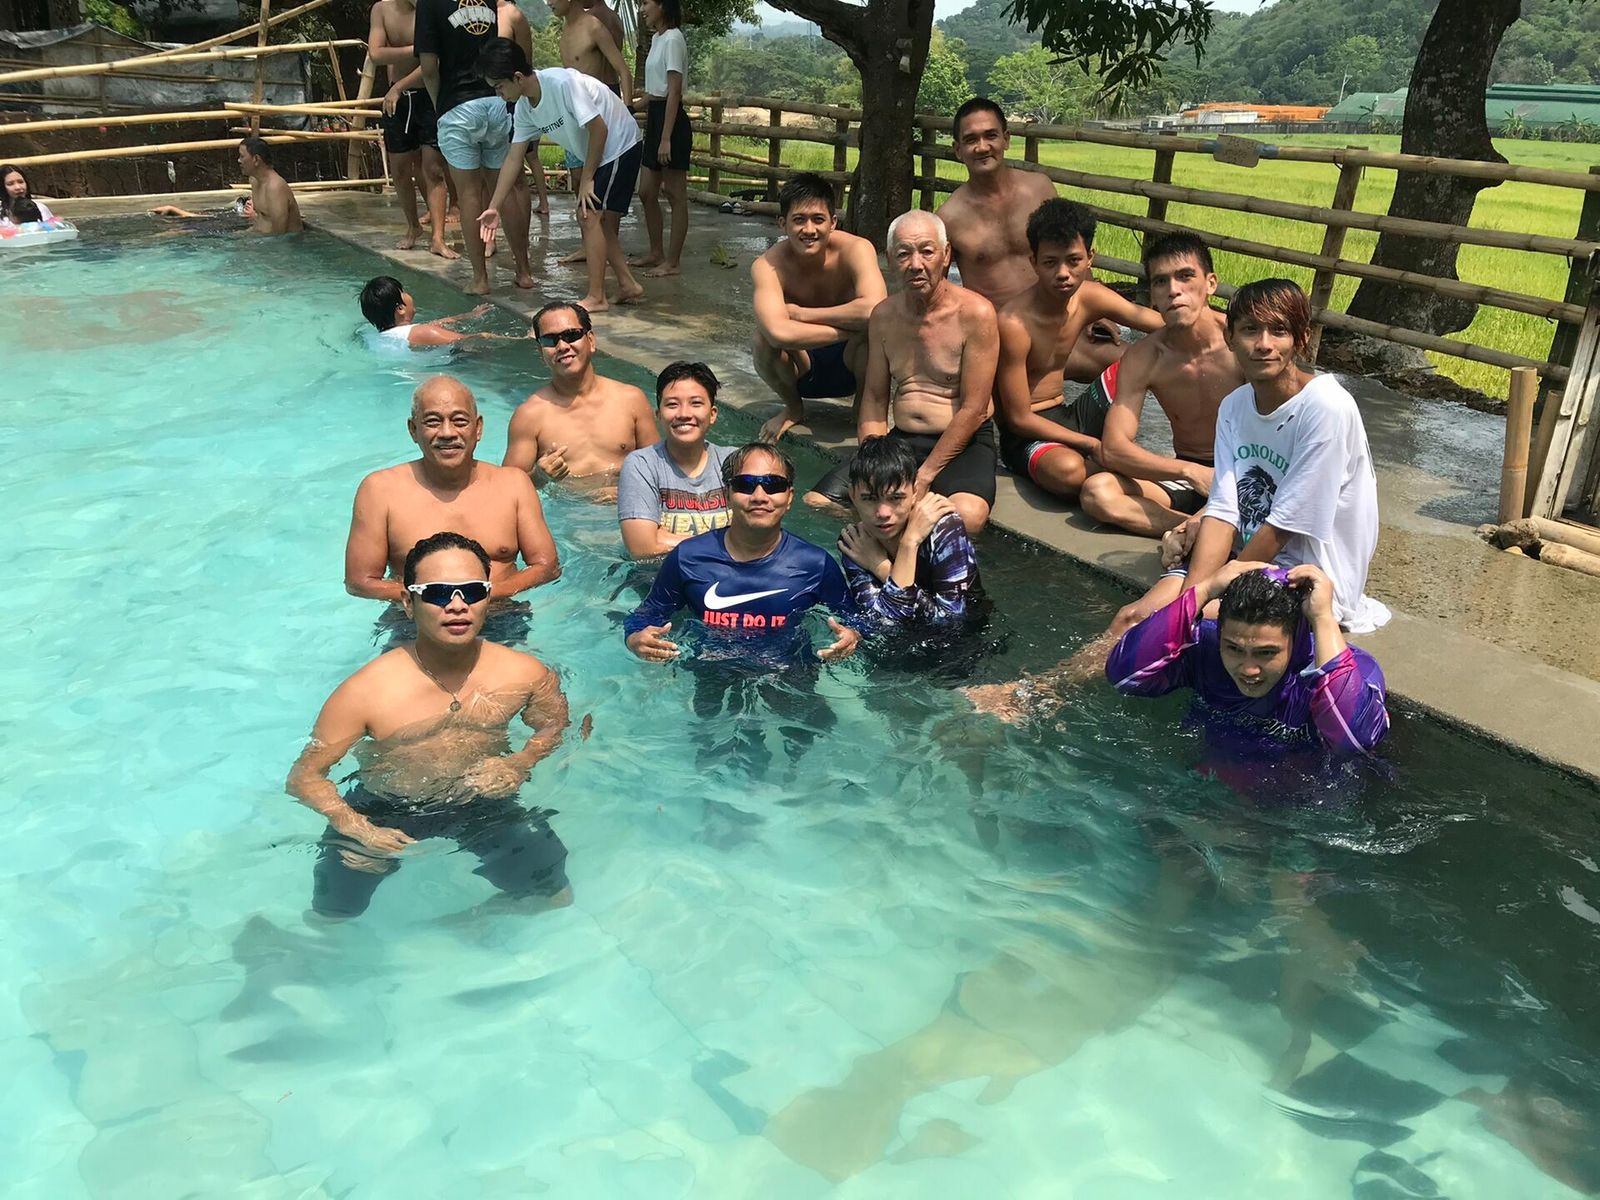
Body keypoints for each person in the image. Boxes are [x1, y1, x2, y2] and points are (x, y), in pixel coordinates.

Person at [286, 532, 572, 921]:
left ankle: (469, 922)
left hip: (481, 801)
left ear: (488, 597)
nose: (457, 605)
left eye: (472, 591)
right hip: (384, 808)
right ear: (408, 602)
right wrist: (355, 827)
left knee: (553, 896)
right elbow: (304, 777)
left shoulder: (526, 674)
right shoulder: (363, 693)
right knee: (333, 916)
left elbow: (554, 728)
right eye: (437, 593)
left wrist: (519, 763)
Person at [1124, 279, 1390, 636]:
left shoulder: (1325, 407)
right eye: (1250, 330)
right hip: (1246, 561)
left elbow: (1284, 526)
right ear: (1230, 338)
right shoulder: (1234, 407)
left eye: (1279, 330)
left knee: (1189, 626)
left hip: (1311, 582)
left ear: (1302, 339)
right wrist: (1193, 595)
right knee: (1135, 617)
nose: (1264, 344)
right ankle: (1060, 677)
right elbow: (1223, 510)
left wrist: (1202, 601)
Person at [808, 210, 1000, 536]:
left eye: (927, 251)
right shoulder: (884, 316)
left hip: (963, 443)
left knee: (966, 517)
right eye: (903, 254)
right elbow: (874, 397)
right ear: (890, 259)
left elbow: (974, 409)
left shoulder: (976, 314)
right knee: (817, 501)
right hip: (903, 441)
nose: (915, 264)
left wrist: (923, 477)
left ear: (946, 255)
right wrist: (874, 463)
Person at [1107, 561, 1390, 756]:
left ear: (1296, 639)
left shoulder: (1358, 670)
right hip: (1203, 783)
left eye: (1267, 653)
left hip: (1288, 808)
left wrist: (1323, 617)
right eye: (1234, 649)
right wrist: (1204, 590)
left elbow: (1353, 741)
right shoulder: (1205, 650)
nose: (1248, 669)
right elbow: (1124, 676)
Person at [624, 442, 861, 665]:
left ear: (789, 497)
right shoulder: (687, 557)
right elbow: (647, 614)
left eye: (773, 485)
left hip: (789, 673)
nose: (759, 496)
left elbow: (857, 620)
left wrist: (852, 636)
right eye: (745, 485)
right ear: (727, 495)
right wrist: (635, 639)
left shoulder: (815, 564)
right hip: (710, 670)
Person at [994, 198, 1163, 500]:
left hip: (1072, 415)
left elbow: (1159, 323)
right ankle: (1139, 473)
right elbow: (1018, 418)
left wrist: (1223, 326)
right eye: (1050, 262)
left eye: (1073, 260)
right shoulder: (1014, 323)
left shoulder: (1089, 296)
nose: (1063, 273)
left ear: (1090, 258)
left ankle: (1138, 453)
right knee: (1069, 472)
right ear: (1033, 262)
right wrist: (1090, 444)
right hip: (1028, 434)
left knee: (1149, 354)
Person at [1078, 233, 1244, 537]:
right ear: (1153, 295)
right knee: (1097, 492)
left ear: (1210, 283)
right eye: (1161, 281)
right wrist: (1189, 471)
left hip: (1247, 471)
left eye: (1185, 276)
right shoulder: (1144, 357)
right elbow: (1114, 448)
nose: (1173, 290)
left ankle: (1211, 532)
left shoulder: (1241, 343)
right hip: (1190, 473)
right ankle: (1196, 532)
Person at [345, 375, 560, 604]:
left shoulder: (514, 485)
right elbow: (360, 581)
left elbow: (547, 567)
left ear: (478, 428)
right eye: (433, 422)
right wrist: (431, 599)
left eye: (459, 421)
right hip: (413, 619)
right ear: (413, 429)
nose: (447, 433)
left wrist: (483, 595)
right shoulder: (380, 490)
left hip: (501, 612)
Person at [477, 40, 645, 313]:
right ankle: (627, 284)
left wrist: (587, 179)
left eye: (499, 87)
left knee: (588, 216)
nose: (499, 94)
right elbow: (514, 158)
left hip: (619, 144)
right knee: (597, 221)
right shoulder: (524, 108)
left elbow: (599, 129)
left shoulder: (562, 84)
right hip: (600, 151)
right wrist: (494, 206)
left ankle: (597, 297)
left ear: (517, 77)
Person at [751, 173, 887, 443]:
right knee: (761, 339)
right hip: (801, 366)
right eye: (799, 220)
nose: (809, 230)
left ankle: (864, 407)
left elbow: (876, 309)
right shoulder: (767, 265)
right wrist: (850, 329)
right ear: (783, 223)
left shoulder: (857, 250)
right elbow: (777, 333)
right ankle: (793, 407)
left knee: (877, 334)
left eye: (818, 219)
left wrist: (803, 314)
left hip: (852, 361)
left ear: (833, 222)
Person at [416, 0, 533, 294]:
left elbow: (428, 68)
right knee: (504, 189)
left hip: (457, 106)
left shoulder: (429, 3)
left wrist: (440, 105)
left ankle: (480, 279)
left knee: (469, 194)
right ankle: (524, 271)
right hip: (496, 99)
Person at [502, 300, 658, 495]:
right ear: (541, 352)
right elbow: (506, 487)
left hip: (627, 507)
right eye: (550, 340)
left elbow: (658, 469)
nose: (562, 346)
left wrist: (625, 491)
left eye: (571, 335)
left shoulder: (631, 400)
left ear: (591, 341)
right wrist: (540, 476)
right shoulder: (529, 416)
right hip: (567, 511)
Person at [838, 434, 984, 634]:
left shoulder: (943, 528)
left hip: (964, 640)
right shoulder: (856, 541)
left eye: (896, 498)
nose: (883, 513)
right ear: (853, 495)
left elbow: (951, 622)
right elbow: (880, 622)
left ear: (915, 492)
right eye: (869, 499)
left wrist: (890, 558)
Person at [617, 360, 736, 558]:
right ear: (659, 415)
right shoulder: (641, 464)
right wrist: (726, 542)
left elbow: (761, 535)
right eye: (672, 404)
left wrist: (663, 537)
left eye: (696, 403)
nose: (684, 414)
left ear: (712, 414)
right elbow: (642, 548)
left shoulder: (736, 462)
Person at [369, 0, 455, 258]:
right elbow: (376, 54)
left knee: (433, 168)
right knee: (399, 168)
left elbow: (435, 61)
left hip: (430, 94)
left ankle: (438, 237)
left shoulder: (433, 8)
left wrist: (400, 83)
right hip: (398, 100)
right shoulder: (382, 9)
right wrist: (418, 50)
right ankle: (413, 226)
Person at [631, 0, 689, 278]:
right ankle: (656, 252)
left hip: (671, 121)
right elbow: (656, 91)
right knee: (646, 191)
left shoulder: (674, 39)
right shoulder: (657, 39)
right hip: (655, 116)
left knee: (675, 194)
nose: (642, 9)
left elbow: (673, 91)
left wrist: (666, 138)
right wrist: (632, 107)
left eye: (646, 2)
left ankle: (673, 262)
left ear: (663, 6)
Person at [154, 138, 304, 233]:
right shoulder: (254, 181)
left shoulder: (275, 187)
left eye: (242, 156)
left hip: (280, 248)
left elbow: (280, 235)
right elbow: (262, 222)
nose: (238, 160)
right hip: (258, 238)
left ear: (256, 160)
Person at [358, 275, 497, 350]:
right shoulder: (421, 332)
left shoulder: (372, 337)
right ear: (400, 309)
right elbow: (469, 340)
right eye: (404, 292)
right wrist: (492, 337)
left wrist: (467, 316)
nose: (408, 294)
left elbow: (430, 327)